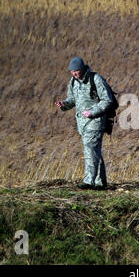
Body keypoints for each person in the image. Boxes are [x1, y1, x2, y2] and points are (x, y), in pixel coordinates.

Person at [55, 57, 114, 190]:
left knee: (89, 148)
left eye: (76, 71)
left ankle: (89, 181)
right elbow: (72, 99)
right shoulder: (73, 82)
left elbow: (107, 100)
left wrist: (92, 112)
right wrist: (64, 104)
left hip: (96, 121)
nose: (74, 74)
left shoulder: (96, 79)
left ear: (82, 69)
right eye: (72, 71)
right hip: (82, 123)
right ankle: (100, 182)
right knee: (95, 150)